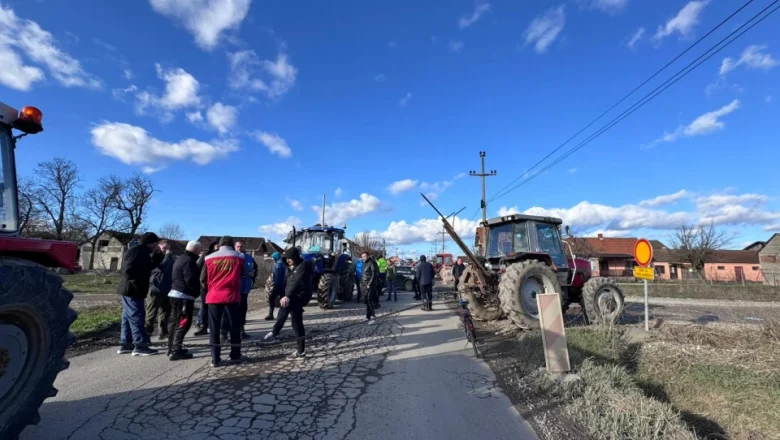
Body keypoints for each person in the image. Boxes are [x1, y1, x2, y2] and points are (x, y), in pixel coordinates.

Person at [116, 232, 165, 356]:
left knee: (127, 317)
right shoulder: (136, 251)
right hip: (133, 289)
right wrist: (139, 279)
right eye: (155, 243)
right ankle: (140, 345)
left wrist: (158, 256)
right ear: (150, 242)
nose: (156, 245)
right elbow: (128, 270)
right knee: (136, 316)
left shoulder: (143, 251)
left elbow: (149, 266)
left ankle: (126, 344)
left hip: (132, 289)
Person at [201, 236, 245, 367]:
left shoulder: (208, 258)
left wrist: (210, 288)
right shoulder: (239, 257)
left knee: (214, 328)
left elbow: (203, 278)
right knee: (234, 326)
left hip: (214, 296)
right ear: (232, 244)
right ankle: (235, 355)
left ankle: (215, 358)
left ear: (219, 245)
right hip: (231, 295)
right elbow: (242, 273)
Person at [264, 247, 310, 360]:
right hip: (292, 295)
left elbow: (296, 281)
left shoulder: (303, 266)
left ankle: (301, 351)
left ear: (295, 257)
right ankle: (275, 331)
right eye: (287, 259)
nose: (288, 260)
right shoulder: (290, 268)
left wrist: (287, 296)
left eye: (290, 258)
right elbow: (288, 282)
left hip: (300, 295)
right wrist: (283, 294)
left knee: (297, 322)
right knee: (283, 310)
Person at [167, 240, 202, 361]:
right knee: (183, 323)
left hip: (175, 294)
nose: (200, 253)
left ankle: (172, 347)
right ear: (196, 250)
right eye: (199, 250)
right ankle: (176, 350)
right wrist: (196, 292)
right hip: (183, 296)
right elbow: (190, 280)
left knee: (175, 322)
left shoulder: (180, 258)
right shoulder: (189, 262)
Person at [221, 240, 257, 341]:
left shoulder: (249, 258)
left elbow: (255, 270)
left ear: (244, 247)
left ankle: (242, 331)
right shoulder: (232, 257)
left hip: (244, 290)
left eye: (241, 246)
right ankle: (224, 333)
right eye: (237, 246)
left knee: (242, 312)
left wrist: (253, 278)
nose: (239, 248)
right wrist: (245, 274)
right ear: (234, 247)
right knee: (228, 313)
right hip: (233, 291)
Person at [145, 240, 175, 340]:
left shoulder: (170, 259)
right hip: (155, 290)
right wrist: (168, 256)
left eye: (168, 248)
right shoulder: (155, 257)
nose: (167, 250)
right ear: (159, 247)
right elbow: (163, 267)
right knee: (151, 314)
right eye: (164, 248)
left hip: (167, 290)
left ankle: (163, 332)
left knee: (165, 313)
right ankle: (146, 335)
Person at [194, 239, 219, 336]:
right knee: (204, 306)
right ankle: (203, 326)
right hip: (206, 285)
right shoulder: (206, 255)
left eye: (219, 245)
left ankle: (214, 327)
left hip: (217, 286)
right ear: (213, 246)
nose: (218, 247)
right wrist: (201, 283)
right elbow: (198, 268)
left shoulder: (223, 256)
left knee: (216, 307)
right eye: (216, 245)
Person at [265, 252, 286, 320]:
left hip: (279, 285)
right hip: (283, 285)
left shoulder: (278, 265)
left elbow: (278, 277)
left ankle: (271, 315)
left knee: (271, 299)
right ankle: (284, 314)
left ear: (275, 257)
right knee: (283, 299)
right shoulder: (282, 263)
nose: (272, 259)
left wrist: (276, 286)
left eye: (273, 258)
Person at [360, 252, 378, 323]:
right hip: (364, 284)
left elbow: (374, 274)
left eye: (364, 256)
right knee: (366, 301)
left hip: (369, 285)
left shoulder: (372, 263)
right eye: (362, 257)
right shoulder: (364, 264)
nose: (362, 258)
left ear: (367, 256)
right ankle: (368, 317)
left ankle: (373, 317)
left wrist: (369, 284)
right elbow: (363, 274)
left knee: (369, 300)